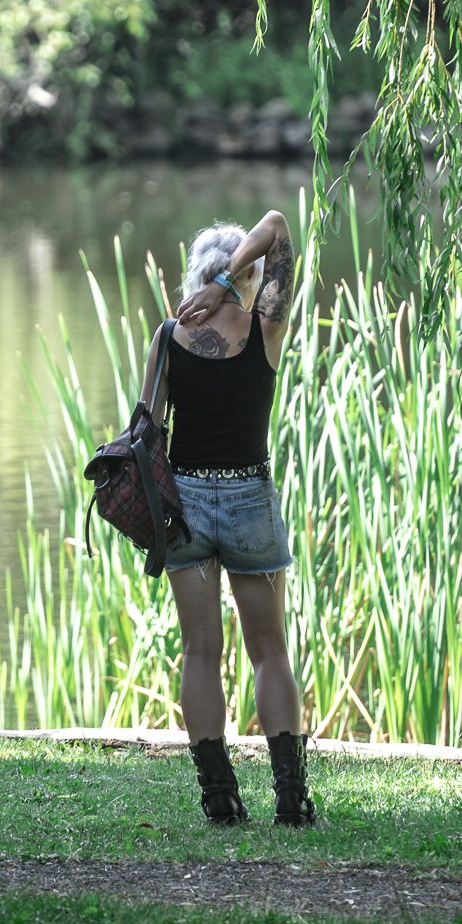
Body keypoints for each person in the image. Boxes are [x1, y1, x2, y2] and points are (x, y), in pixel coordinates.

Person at [141, 210, 317, 826]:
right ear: (244, 273)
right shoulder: (264, 327)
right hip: (248, 499)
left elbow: (147, 430)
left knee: (200, 651)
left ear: (197, 274)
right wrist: (230, 281)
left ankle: (220, 798)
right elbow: (276, 228)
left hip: (185, 503)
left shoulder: (169, 337)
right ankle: (292, 798)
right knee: (269, 651)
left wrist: (210, 285)